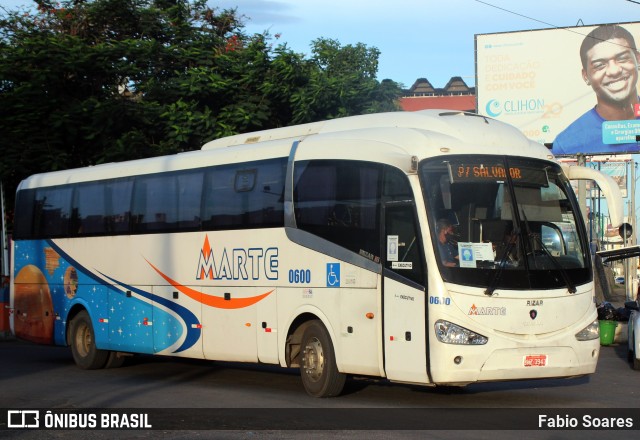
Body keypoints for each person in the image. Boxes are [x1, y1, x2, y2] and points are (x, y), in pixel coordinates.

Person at [552, 24, 640, 155]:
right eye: (600, 65)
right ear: (586, 76)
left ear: (638, 59)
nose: (614, 71)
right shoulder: (566, 144)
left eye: (622, 58)